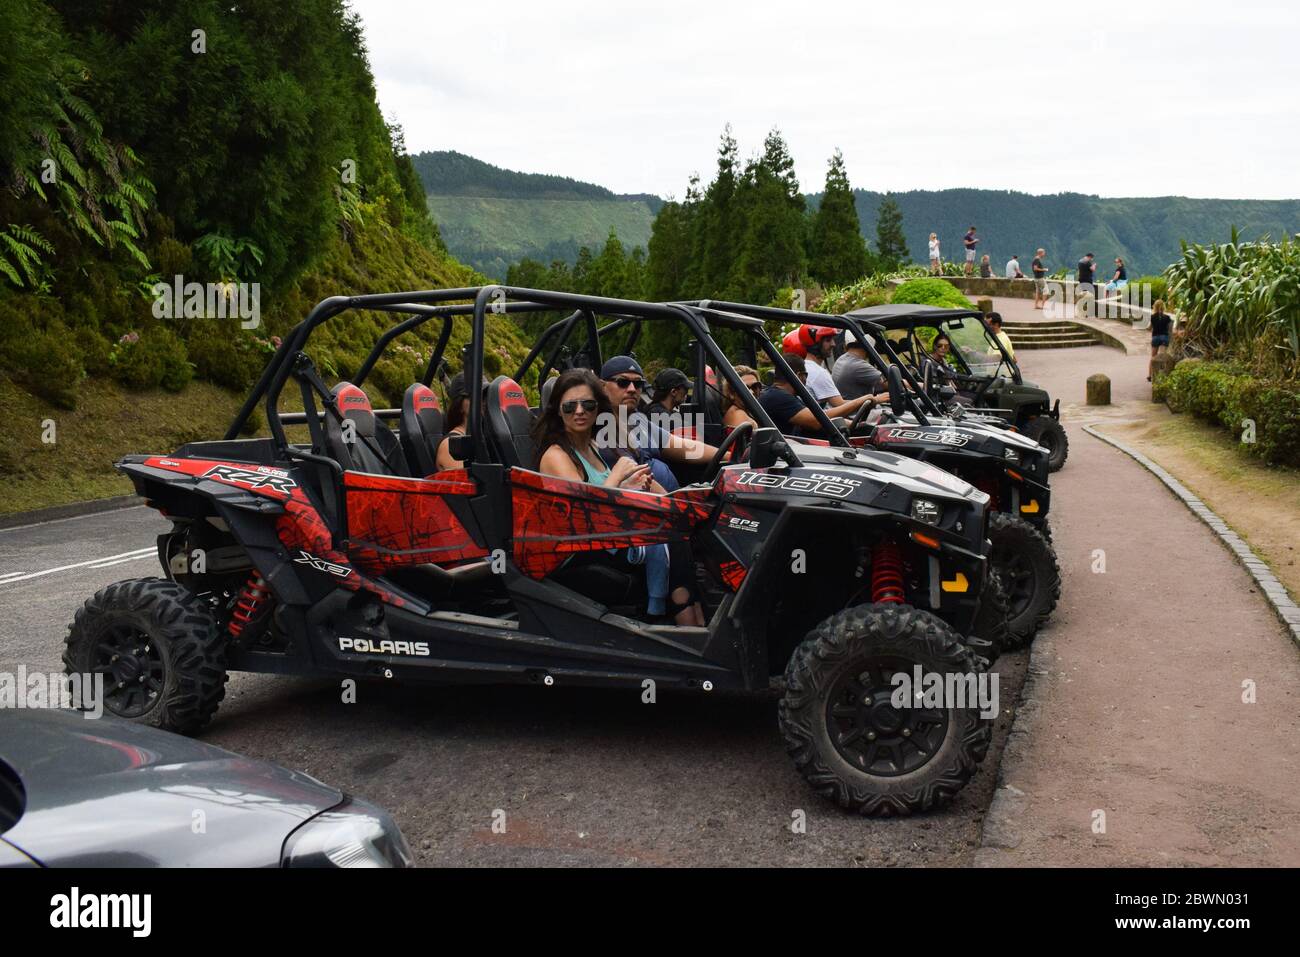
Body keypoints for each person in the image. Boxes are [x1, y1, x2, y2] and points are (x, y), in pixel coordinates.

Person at [532, 368, 704, 626]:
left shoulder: (592, 446)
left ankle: (693, 622)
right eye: (569, 406)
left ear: (597, 409)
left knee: (679, 528)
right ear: (558, 410)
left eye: (587, 405)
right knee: (671, 536)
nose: (579, 411)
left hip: (606, 534)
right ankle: (688, 625)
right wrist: (618, 478)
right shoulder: (556, 456)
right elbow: (584, 515)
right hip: (580, 547)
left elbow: (606, 497)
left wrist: (632, 483)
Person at [598, 356, 717, 492]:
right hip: (654, 506)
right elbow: (639, 478)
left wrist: (727, 454)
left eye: (638, 384)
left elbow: (682, 446)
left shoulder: (637, 419)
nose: (632, 389)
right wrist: (678, 507)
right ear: (602, 387)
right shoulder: (603, 429)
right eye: (622, 382)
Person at [760, 354, 872, 436]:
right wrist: (860, 401)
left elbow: (821, 416)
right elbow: (816, 421)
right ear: (799, 375)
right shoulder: (777, 397)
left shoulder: (789, 397)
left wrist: (856, 425)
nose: (806, 381)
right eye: (806, 375)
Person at [436, 372, 480, 470]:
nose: (481, 400)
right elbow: (467, 483)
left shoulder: (482, 437)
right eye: (473, 396)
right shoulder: (450, 445)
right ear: (459, 405)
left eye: (484, 395)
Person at [832, 335, 889, 402]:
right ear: (869, 346)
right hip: (858, 410)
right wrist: (903, 382)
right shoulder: (859, 365)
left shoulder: (842, 358)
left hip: (847, 406)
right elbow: (888, 385)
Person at [800, 325, 844, 406]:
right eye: (828, 340)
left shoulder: (806, 366)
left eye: (833, 339)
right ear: (815, 345)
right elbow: (841, 405)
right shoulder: (818, 373)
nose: (833, 344)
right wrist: (867, 399)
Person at [721, 364, 761, 430]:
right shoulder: (740, 416)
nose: (752, 392)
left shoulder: (746, 412)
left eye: (755, 386)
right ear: (731, 393)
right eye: (744, 388)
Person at [1148, 299, 1173, 382]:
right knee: (1162, 357)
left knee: (1153, 357)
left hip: (1155, 337)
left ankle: (1149, 375)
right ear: (1163, 307)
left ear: (1155, 306)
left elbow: (1149, 328)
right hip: (1164, 337)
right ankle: (1163, 374)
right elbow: (1170, 329)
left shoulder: (1152, 317)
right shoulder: (1167, 317)